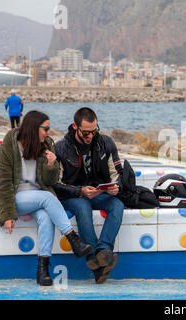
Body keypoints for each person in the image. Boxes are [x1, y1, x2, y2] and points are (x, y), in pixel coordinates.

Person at [0, 110, 93, 286]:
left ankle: (43, 269)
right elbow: (1, 181)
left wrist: (52, 165)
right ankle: (72, 238)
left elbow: (50, 181)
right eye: (45, 128)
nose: (48, 132)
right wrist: (7, 214)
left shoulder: (46, 144)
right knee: (46, 198)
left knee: (46, 217)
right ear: (33, 128)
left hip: (37, 197)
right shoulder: (11, 143)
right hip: (14, 198)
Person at [53, 107, 124, 284]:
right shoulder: (60, 148)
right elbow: (55, 183)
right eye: (85, 132)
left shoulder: (106, 143)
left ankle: (103, 252)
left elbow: (118, 173)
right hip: (72, 196)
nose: (90, 136)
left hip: (98, 192)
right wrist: (79, 191)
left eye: (94, 131)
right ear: (74, 127)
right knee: (83, 205)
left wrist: (116, 187)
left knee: (117, 204)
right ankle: (95, 258)